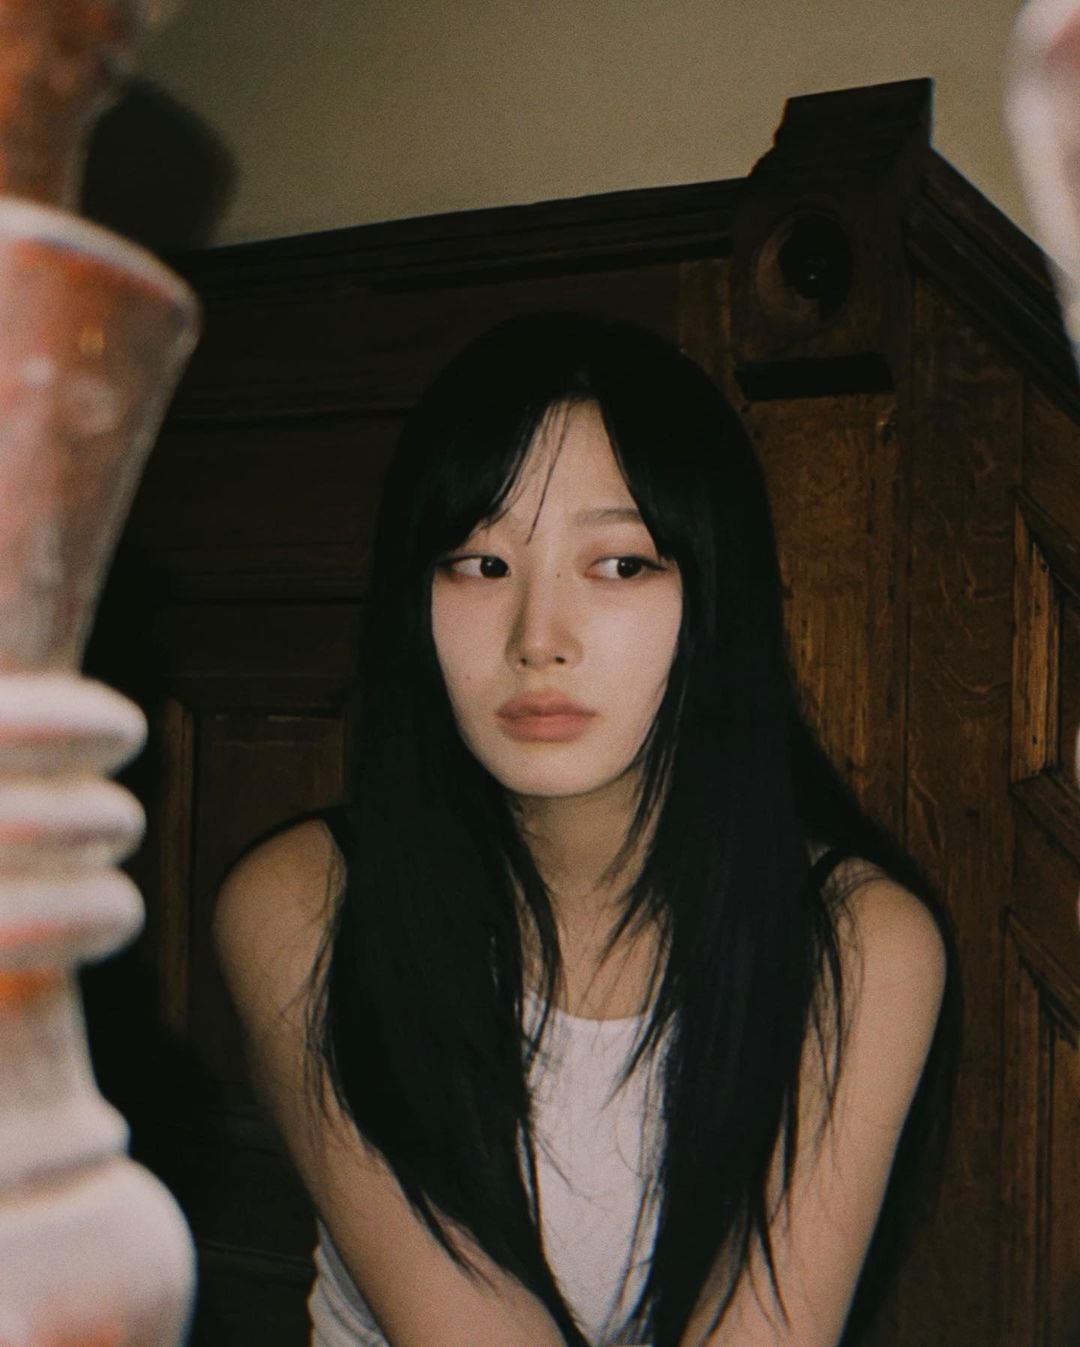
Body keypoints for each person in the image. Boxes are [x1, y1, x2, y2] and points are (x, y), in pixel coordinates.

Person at [212, 312, 956, 1347]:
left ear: (716, 595)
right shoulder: (304, 904)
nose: (538, 639)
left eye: (619, 564)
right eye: (481, 564)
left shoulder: (859, 942)